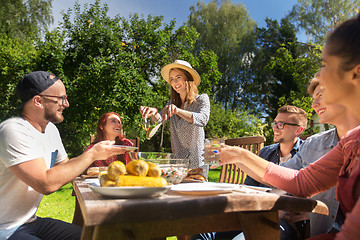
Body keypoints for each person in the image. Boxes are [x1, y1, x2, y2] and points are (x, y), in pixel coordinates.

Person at [214, 14, 360, 240]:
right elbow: (301, 182)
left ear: (355, 73)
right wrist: (239, 155)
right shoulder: (351, 142)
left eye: (325, 66)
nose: (318, 77)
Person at [0, 71, 127, 240]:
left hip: (31, 222)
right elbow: (46, 184)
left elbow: (66, 168)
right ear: (38, 101)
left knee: (98, 237)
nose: (66, 104)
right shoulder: (13, 130)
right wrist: (91, 154)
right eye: (60, 98)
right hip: (5, 227)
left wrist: (99, 159)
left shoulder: (50, 129)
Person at [280, 77, 360, 237]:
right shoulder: (315, 142)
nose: (313, 104)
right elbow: (293, 178)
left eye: (321, 96)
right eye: (313, 99)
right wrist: (239, 156)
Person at [140, 60, 210, 175]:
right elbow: (159, 120)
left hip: (197, 162)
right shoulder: (171, 104)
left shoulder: (201, 99)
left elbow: (202, 119)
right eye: (171, 79)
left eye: (178, 77)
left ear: (188, 79)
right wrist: (153, 113)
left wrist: (178, 111)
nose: (174, 82)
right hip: (178, 162)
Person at [244, 105, 307, 187]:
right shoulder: (265, 152)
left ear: (298, 130)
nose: (275, 128)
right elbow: (249, 184)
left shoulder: (307, 153)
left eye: (281, 124)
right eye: (275, 123)